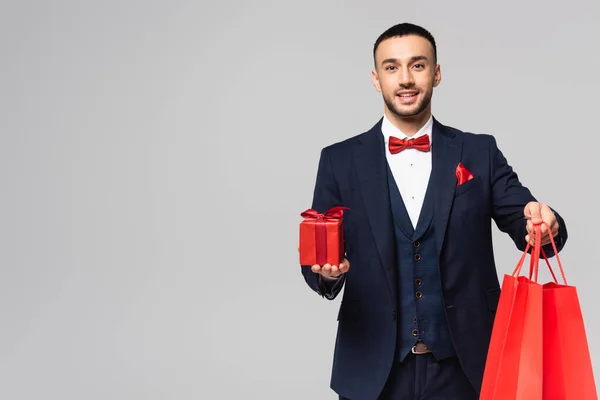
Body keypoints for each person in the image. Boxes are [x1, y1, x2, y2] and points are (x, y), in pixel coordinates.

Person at [299, 22, 568, 400]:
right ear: (376, 79)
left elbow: (526, 220)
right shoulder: (339, 161)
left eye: (418, 65)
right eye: (392, 67)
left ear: (437, 73)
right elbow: (316, 265)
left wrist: (545, 224)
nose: (405, 79)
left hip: (467, 367)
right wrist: (327, 275)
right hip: (371, 367)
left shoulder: (479, 152)